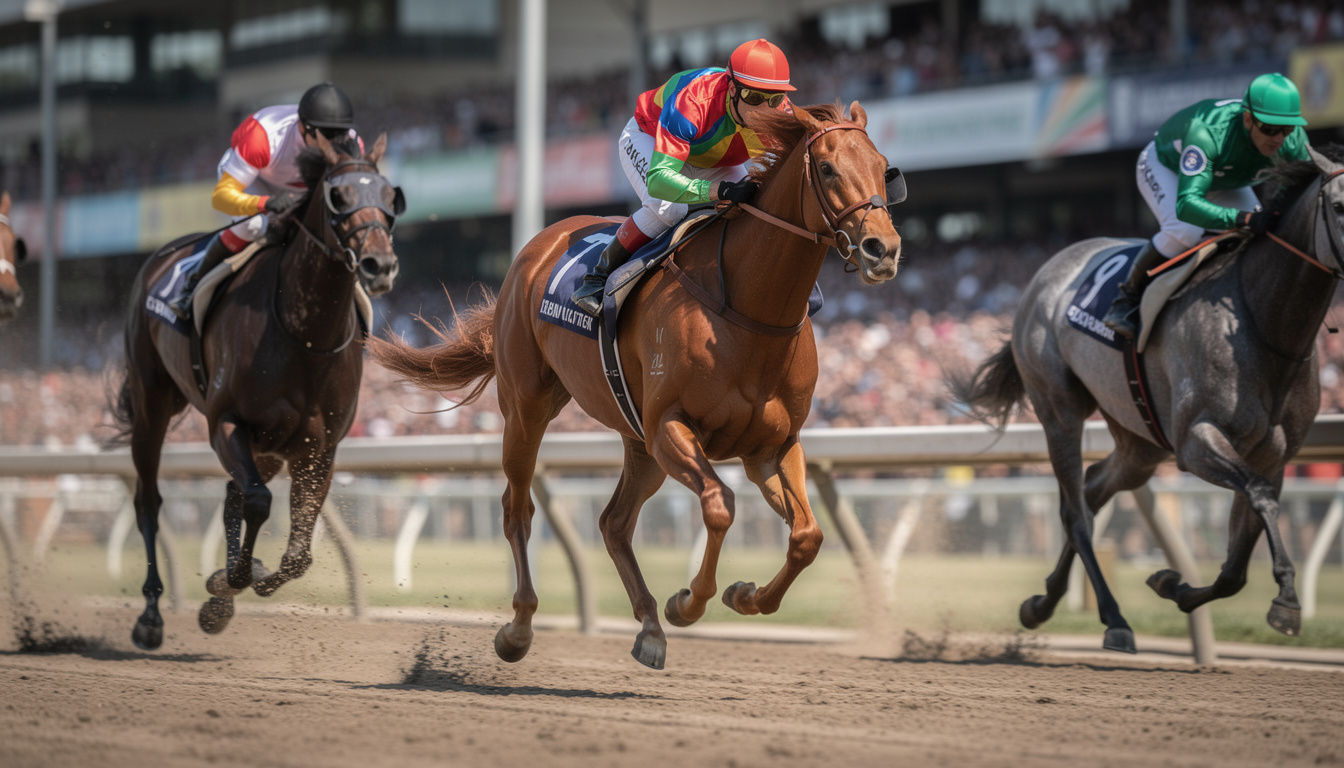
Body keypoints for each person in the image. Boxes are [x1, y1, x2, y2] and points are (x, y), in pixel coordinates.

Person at [570, 38, 797, 316]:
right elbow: (660, 180)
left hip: (711, 158)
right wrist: (719, 191)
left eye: (773, 99)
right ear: (733, 88)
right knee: (668, 208)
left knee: (754, 204)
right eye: (754, 98)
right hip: (649, 140)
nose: (764, 110)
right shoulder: (693, 102)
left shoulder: (780, 111)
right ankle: (597, 277)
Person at [1102, 72, 1311, 340]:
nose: (1279, 138)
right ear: (1247, 119)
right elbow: (1187, 204)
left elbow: (1302, 187)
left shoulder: (1292, 140)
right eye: (1270, 128)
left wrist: (1276, 209)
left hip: (1222, 180)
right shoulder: (1209, 132)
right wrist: (1243, 219)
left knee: (1264, 232)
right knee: (1185, 231)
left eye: (1288, 128)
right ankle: (1126, 297)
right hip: (1167, 166)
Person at [169, 82, 360, 320]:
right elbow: (220, 197)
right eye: (325, 137)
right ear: (304, 127)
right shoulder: (264, 136)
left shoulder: (349, 141)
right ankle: (193, 283)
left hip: (302, 188)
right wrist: (264, 204)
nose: (332, 145)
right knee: (251, 226)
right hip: (257, 181)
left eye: (337, 136)